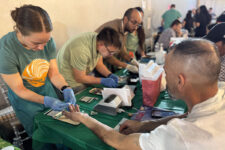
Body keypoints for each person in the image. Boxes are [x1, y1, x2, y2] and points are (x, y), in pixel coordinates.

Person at [63, 39, 225, 149]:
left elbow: (119, 141)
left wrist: (83, 117)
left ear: (180, 81)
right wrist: (143, 125)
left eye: (166, 73)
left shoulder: (181, 135)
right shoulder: (220, 90)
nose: (163, 77)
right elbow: (189, 115)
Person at [0, 5, 76, 137]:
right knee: (41, 136)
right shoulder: (6, 49)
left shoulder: (47, 41)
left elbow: (54, 73)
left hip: (47, 91)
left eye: (45, 42)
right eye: (35, 43)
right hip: (26, 102)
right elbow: (19, 89)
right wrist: (47, 101)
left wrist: (66, 88)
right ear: (20, 31)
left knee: (60, 131)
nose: (41, 48)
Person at [57, 27, 121, 91]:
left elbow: (99, 64)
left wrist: (109, 75)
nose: (111, 55)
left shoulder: (98, 40)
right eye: (110, 52)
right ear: (101, 44)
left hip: (81, 73)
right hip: (69, 80)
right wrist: (102, 80)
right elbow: (79, 78)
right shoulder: (81, 50)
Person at [95, 8, 142, 73]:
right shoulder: (113, 29)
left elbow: (121, 49)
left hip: (104, 61)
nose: (136, 28)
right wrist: (126, 66)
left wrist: (132, 60)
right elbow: (108, 56)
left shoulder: (126, 29)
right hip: (96, 62)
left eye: (138, 25)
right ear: (125, 19)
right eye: (134, 23)